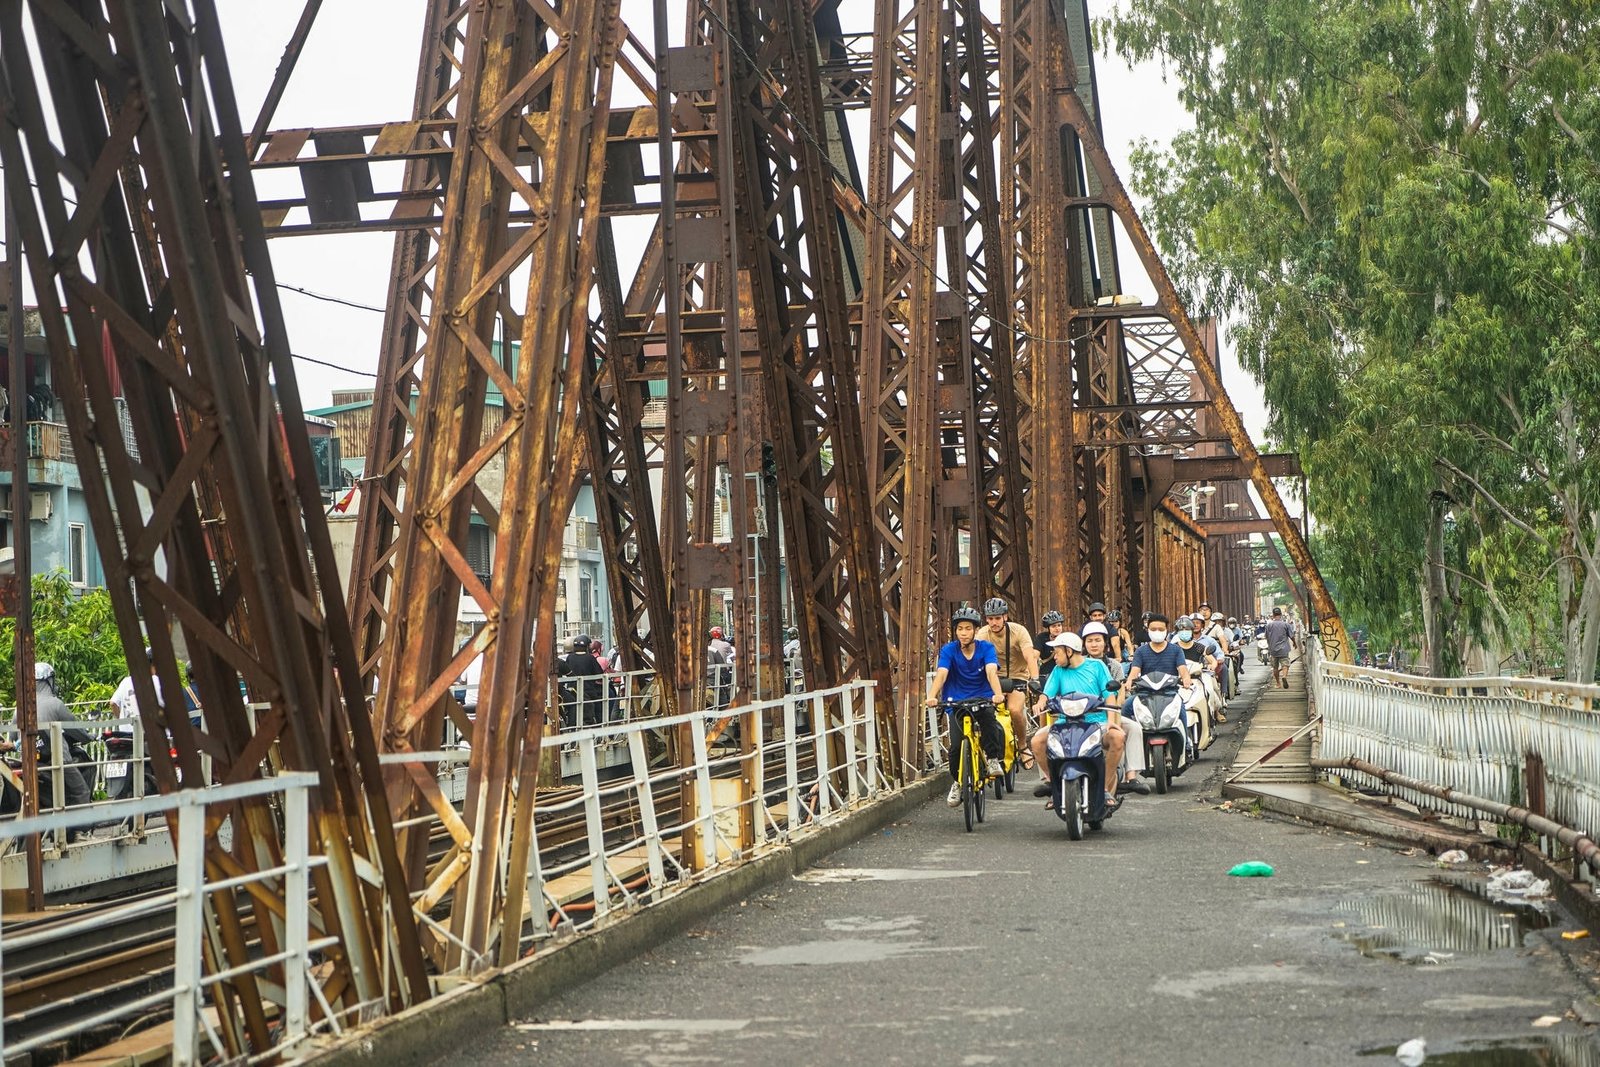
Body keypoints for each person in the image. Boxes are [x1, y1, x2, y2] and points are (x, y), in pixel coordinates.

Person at [1026, 632, 1138, 808]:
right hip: (1064, 724)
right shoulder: (1058, 670)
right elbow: (1047, 694)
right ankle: (1053, 785)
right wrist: (1040, 703)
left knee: (1117, 738)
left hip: (1096, 723)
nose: (1054, 656)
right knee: (1037, 741)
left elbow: (1109, 695)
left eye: (1057, 652)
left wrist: (1111, 721)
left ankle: (1104, 787)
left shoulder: (1097, 666)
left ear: (1069, 651)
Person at [925, 606, 1007, 807]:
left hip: (982, 698)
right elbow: (942, 673)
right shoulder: (949, 650)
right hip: (956, 701)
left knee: (989, 722)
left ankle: (993, 759)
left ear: (975, 630)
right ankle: (957, 782)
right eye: (960, 628)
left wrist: (997, 694)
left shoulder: (986, 648)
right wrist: (931, 696)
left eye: (968, 628)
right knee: (955, 747)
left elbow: (990, 672)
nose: (963, 633)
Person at [0, 663, 95, 826]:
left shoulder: (20, 708)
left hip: (31, 763)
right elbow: (76, 730)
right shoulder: (55, 704)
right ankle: (82, 831)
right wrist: (89, 737)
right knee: (81, 791)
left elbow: (14, 737)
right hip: (59, 761)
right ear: (48, 681)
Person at [1077, 623, 1148, 796]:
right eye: (1090, 641)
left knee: (1134, 728)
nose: (1094, 644)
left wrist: (1114, 710)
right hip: (1082, 715)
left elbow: (1120, 692)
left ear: (1105, 644)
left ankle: (1130, 777)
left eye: (1098, 640)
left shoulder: (1114, 666)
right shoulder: (1078, 665)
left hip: (1110, 712)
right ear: (1083, 644)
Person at [1124, 614, 1195, 755]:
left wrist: (1186, 679)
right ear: (1148, 629)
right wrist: (1129, 681)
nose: (1157, 632)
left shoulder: (1175, 650)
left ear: (1166, 630)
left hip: (1169, 692)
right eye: (1153, 629)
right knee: (1126, 708)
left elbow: (1183, 669)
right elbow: (1135, 671)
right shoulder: (1141, 651)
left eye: (1160, 629)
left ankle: (1186, 740)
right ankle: (1126, 743)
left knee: (1181, 708)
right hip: (1145, 693)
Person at [981, 597, 1038, 767]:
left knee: (1014, 710)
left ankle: (1022, 745)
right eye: (990, 619)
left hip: (1017, 676)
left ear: (1005, 617)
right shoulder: (983, 634)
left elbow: (1029, 655)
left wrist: (1034, 679)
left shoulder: (1018, 631)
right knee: (984, 712)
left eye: (997, 618)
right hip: (993, 678)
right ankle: (987, 749)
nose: (994, 622)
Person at [109, 647, 163, 735]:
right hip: (152, 734)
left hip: (127, 734)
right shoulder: (158, 681)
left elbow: (113, 703)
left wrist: (123, 721)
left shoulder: (126, 681)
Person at [563, 635, 607, 726]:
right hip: (589, 691)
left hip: (572, 690)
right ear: (587, 646)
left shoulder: (570, 658)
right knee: (599, 708)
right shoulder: (590, 658)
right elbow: (599, 674)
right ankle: (600, 726)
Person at [1264, 607, 1295, 688]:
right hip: (1284, 649)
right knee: (1285, 664)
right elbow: (1291, 636)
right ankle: (1284, 676)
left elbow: (1267, 637)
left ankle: (1278, 684)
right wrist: (1295, 643)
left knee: (1275, 667)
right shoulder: (1285, 624)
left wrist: (1270, 645)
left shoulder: (1269, 625)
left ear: (1273, 615)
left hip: (1273, 649)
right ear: (1280, 615)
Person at [706, 626, 735, 710]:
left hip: (698, 680)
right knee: (723, 695)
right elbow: (722, 667)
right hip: (713, 679)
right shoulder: (714, 650)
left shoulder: (693, 651)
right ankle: (724, 713)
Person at [1033, 611, 1066, 682]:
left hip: (1063, 672)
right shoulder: (1042, 638)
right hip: (1046, 673)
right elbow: (1034, 656)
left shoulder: (1066, 638)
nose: (1057, 628)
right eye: (1053, 626)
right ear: (1048, 628)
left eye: (1059, 625)